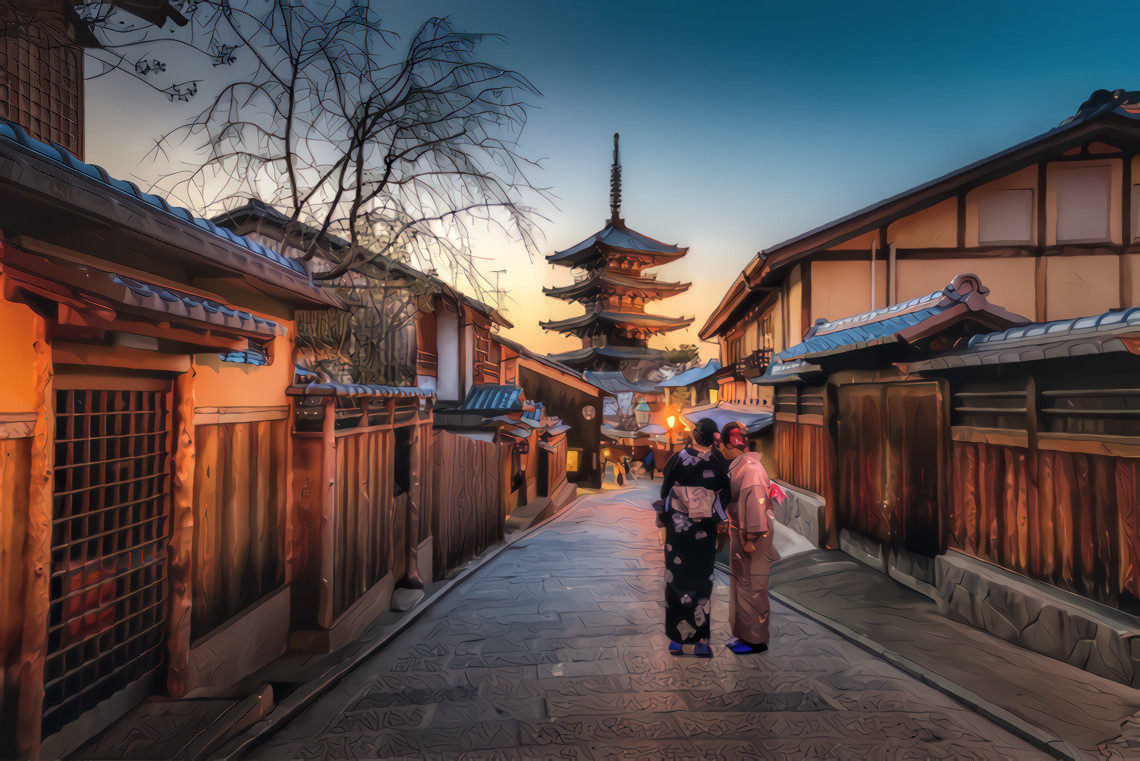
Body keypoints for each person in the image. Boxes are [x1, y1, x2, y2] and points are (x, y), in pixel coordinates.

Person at [657, 418, 731, 657]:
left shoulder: (678, 458)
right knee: (702, 581)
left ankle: (677, 640)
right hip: (705, 529)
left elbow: (665, 489)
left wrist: (667, 515)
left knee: (676, 579)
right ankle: (701, 640)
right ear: (712, 440)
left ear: (693, 435)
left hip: (678, 530)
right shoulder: (717, 461)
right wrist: (717, 514)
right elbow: (726, 493)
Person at [718, 421, 786, 654]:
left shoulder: (749, 469)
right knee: (742, 584)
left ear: (729, 443)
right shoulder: (743, 465)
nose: (720, 450)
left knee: (752, 585)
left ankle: (754, 640)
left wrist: (752, 538)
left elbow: (756, 505)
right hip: (742, 531)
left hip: (752, 534)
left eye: (721, 445)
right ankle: (743, 635)